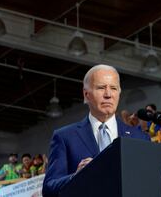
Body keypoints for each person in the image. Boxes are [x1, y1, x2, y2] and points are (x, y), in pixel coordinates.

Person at [42, 64, 150, 197]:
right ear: (86, 94)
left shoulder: (139, 138)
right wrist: (76, 177)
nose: (108, 94)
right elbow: (48, 189)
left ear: (119, 94)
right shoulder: (65, 137)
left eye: (114, 88)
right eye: (101, 88)